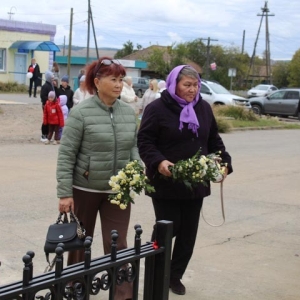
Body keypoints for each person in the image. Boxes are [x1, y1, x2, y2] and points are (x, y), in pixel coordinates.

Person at [137, 65, 233, 296]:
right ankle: (157, 271)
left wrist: (224, 162)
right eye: (187, 85)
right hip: (165, 182)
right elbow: (145, 141)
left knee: (188, 232)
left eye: (196, 85)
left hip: (196, 183)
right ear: (174, 84)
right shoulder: (157, 109)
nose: (193, 90)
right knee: (168, 229)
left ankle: (175, 275)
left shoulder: (203, 108)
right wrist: (159, 162)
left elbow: (213, 139)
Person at [56, 56, 140, 300]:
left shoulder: (127, 112)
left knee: (119, 245)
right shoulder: (81, 113)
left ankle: (122, 295)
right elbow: (66, 156)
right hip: (85, 189)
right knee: (79, 245)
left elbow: (132, 147)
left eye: (121, 79)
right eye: (113, 79)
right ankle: (75, 290)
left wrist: (136, 169)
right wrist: (64, 193)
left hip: (118, 191)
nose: (118, 84)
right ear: (97, 81)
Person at [40, 71, 55, 142]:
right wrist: (49, 100)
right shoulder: (45, 86)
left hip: (52, 106)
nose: (53, 79)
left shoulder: (51, 85)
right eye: (51, 78)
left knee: (50, 120)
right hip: (46, 105)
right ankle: (43, 135)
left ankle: (48, 134)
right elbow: (42, 96)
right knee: (46, 120)